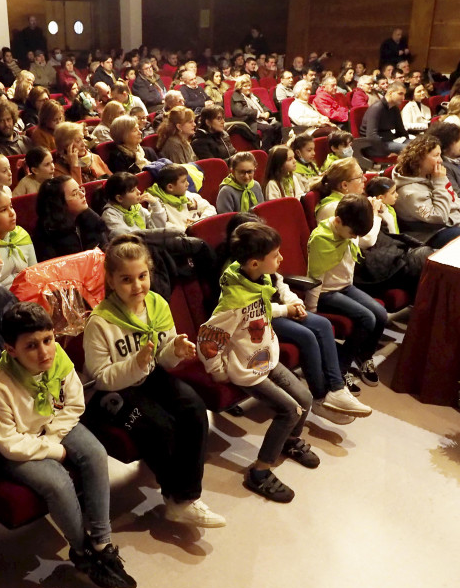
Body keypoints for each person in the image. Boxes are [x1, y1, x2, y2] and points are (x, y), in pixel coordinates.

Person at [0, 302, 136, 588]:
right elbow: (8, 442)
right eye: (31, 346)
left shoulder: (57, 360)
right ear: (11, 350)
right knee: (58, 482)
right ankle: (81, 550)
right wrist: (54, 450)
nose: (44, 352)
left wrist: (51, 438)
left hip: (51, 427)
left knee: (95, 454)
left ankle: (102, 542)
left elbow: (74, 404)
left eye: (48, 340)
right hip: (12, 446)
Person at [84, 234, 224, 525]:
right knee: (160, 427)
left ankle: (185, 497)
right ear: (110, 280)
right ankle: (178, 497)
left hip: (147, 373)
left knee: (194, 409)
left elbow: (163, 354)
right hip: (115, 388)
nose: (137, 286)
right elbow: (101, 378)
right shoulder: (100, 322)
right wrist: (136, 363)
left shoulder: (157, 304)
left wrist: (174, 350)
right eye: (126, 279)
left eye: (142, 276)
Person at [197, 222, 320, 503]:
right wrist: (216, 371)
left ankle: (288, 441)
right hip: (246, 369)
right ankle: (260, 472)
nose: (281, 259)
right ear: (255, 262)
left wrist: (284, 309)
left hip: (267, 357)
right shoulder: (233, 300)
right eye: (275, 255)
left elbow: (260, 311)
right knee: (289, 410)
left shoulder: (258, 281)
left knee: (305, 397)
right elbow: (207, 338)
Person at [221, 214, 369, 422]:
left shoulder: (263, 261)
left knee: (323, 324)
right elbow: (251, 309)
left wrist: (295, 303)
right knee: (307, 336)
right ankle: (319, 398)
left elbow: (280, 283)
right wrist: (285, 309)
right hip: (262, 318)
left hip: (282, 307)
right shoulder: (237, 271)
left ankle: (336, 389)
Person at [305, 195, 387, 388]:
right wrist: (311, 310)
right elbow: (315, 277)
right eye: (352, 234)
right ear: (338, 221)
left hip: (345, 287)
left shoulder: (348, 230)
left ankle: (364, 356)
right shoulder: (322, 238)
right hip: (325, 292)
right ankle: (341, 367)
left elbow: (365, 239)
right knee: (367, 318)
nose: (354, 238)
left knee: (381, 315)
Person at [392, 134, 460, 247]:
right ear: (419, 158)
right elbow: (439, 217)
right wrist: (439, 182)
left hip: (451, 225)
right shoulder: (408, 192)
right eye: (436, 155)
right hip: (430, 234)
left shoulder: (433, 175)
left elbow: (455, 200)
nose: (441, 160)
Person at [32, 175, 108, 260]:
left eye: (80, 189)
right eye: (75, 193)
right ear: (59, 204)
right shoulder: (46, 234)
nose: (82, 194)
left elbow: (106, 252)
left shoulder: (92, 220)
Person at [146, 163, 215, 231]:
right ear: (170, 187)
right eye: (183, 181)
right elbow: (160, 226)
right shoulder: (157, 204)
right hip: (180, 238)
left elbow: (210, 208)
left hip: (200, 230)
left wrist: (199, 223)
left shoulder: (189, 195)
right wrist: (186, 229)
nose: (187, 184)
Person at [99, 172, 167, 239]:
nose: (139, 192)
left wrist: (155, 204)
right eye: (132, 190)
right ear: (119, 198)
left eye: (136, 188)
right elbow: (129, 240)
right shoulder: (110, 215)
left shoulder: (136, 207)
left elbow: (157, 229)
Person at [230, 75, 282, 150]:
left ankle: (276, 148)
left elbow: (262, 105)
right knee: (268, 128)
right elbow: (240, 111)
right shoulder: (236, 97)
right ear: (239, 87)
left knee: (278, 125)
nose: (248, 88)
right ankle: (265, 151)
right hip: (248, 121)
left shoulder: (252, 96)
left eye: (249, 85)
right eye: (245, 86)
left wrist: (267, 112)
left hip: (260, 119)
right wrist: (258, 114)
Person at [360, 82, 408, 155]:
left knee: (419, 145)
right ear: (391, 93)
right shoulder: (376, 108)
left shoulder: (395, 108)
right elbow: (372, 136)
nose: (403, 98)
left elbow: (401, 130)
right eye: (400, 94)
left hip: (390, 140)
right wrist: (386, 152)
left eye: (404, 94)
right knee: (410, 149)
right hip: (374, 145)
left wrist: (408, 139)